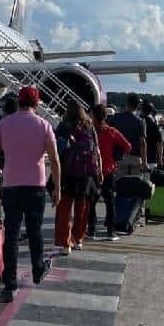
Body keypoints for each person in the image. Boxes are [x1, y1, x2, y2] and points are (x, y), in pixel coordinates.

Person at [0, 86, 60, 303]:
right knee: (34, 231)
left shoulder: (4, 123)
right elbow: (55, 160)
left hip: (11, 186)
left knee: (11, 236)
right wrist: (58, 187)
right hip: (35, 187)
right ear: (36, 104)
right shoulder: (44, 125)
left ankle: (10, 285)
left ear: (19, 102)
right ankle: (38, 270)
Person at [54, 99, 101, 254]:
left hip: (66, 174)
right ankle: (78, 239)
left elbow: (56, 153)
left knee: (64, 211)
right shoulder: (89, 127)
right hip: (85, 175)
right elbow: (96, 151)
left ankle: (65, 244)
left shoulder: (63, 126)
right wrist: (99, 172)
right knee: (82, 210)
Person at [91, 103, 131, 241]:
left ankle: (91, 229)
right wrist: (117, 156)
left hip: (92, 170)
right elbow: (127, 146)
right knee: (110, 202)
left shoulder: (90, 131)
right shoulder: (111, 131)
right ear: (105, 116)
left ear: (93, 116)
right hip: (108, 170)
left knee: (91, 201)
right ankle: (110, 231)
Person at [107, 93, 147, 172]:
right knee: (134, 182)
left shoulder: (116, 118)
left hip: (119, 157)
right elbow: (142, 143)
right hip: (135, 158)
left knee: (119, 182)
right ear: (137, 106)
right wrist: (144, 162)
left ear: (127, 104)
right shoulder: (140, 121)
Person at [141, 101, 164, 169]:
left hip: (137, 158)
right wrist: (160, 159)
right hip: (150, 158)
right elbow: (159, 142)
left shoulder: (137, 121)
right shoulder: (153, 124)